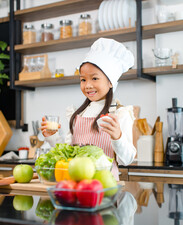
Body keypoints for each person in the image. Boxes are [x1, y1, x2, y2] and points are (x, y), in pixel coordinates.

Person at [41, 37, 136, 180]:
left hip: (104, 187)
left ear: (110, 82)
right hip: (76, 183)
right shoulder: (77, 114)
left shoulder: (120, 114)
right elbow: (68, 154)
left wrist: (117, 137)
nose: (88, 85)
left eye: (95, 78)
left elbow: (127, 160)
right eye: (83, 79)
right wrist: (52, 136)